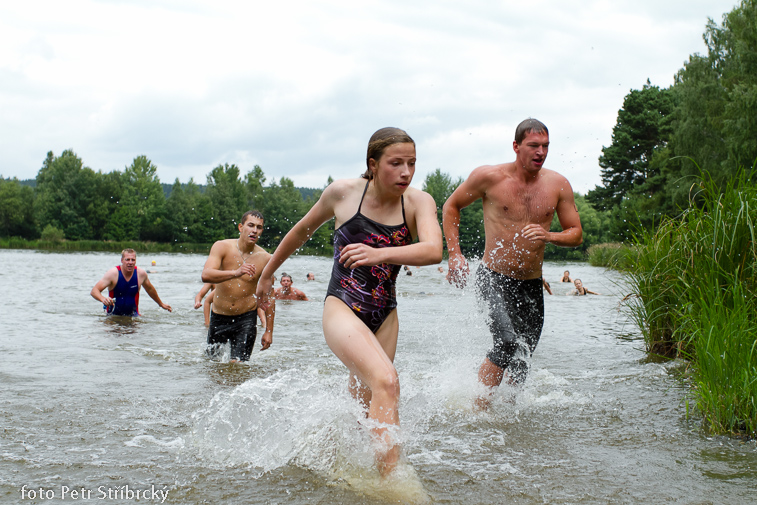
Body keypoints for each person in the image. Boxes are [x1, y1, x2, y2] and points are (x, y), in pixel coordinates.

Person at [256, 127, 443, 476]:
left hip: (385, 314)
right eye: (396, 163)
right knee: (387, 381)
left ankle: (347, 464)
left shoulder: (419, 202)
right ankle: (392, 485)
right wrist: (267, 274)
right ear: (372, 164)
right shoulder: (343, 193)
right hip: (342, 306)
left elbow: (433, 250)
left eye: (412, 163)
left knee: (368, 399)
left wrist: (379, 253)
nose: (406, 172)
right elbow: (301, 230)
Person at [442, 118, 583, 409]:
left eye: (545, 146)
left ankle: (507, 416)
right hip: (493, 277)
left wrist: (549, 235)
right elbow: (451, 206)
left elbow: (576, 234)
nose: (540, 152)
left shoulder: (558, 184)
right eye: (534, 145)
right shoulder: (489, 177)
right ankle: (478, 410)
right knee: (505, 344)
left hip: (531, 283)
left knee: (522, 356)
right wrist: (454, 254)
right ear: (516, 146)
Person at [201, 210, 274, 362]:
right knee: (212, 365)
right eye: (251, 225)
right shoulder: (221, 247)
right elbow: (206, 275)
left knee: (238, 366)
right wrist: (236, 272)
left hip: (246, 319)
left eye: (259, 227)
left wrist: (269, 331)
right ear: (241, 227)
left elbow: (269, 297)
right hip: (219, 317)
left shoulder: (266, 258)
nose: (254, 230)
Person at [90, 249, 172, 316]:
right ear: (122, 260)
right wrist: (103, 299)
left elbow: (150, 289)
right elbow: (94, 291)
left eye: (133, 260)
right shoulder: (113, 274)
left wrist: (161, 304)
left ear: (135, 261)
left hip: (134, 316)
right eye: (127, 260)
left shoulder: (141, 274)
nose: (130, 262)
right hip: (113, 316)